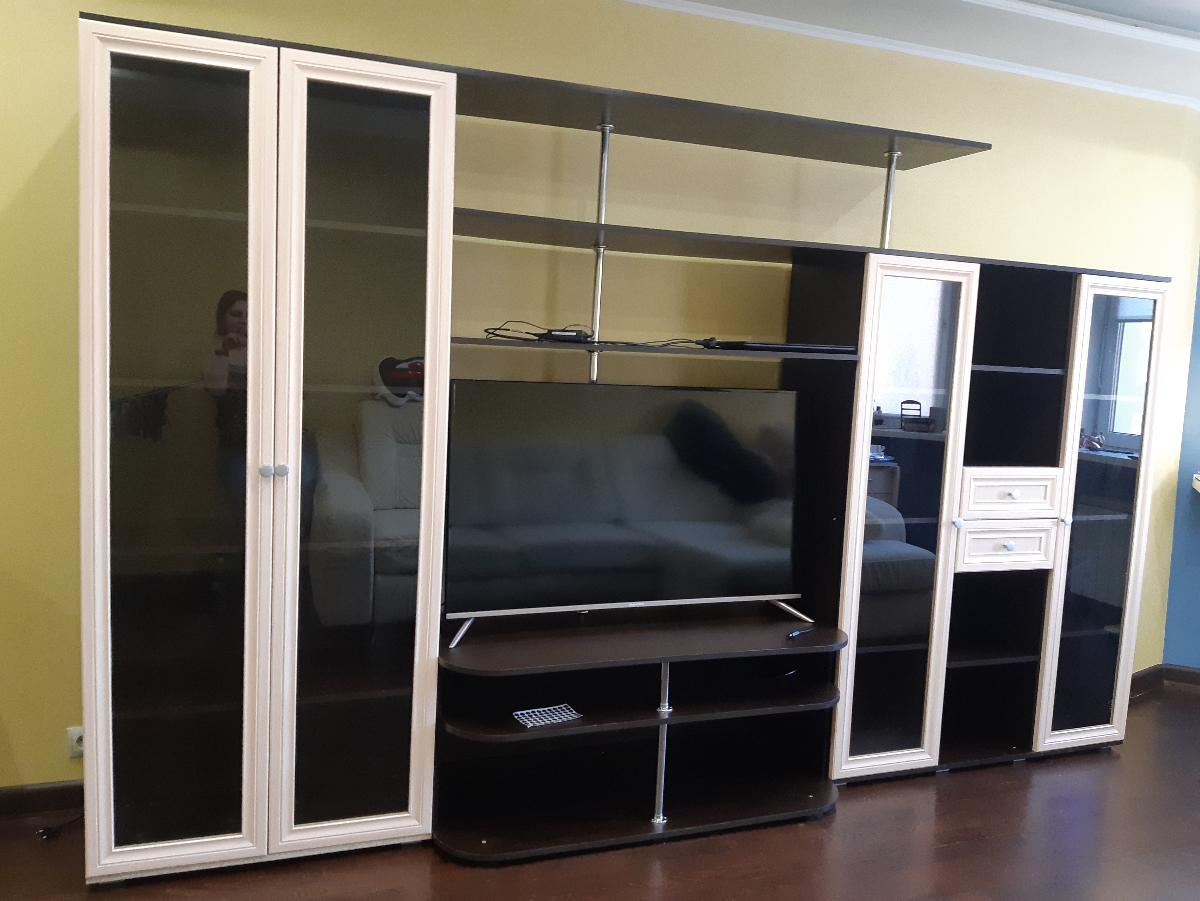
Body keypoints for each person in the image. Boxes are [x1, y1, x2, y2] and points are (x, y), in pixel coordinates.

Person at [204, 290, 249, 515]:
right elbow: (217, 389)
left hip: (273, 443)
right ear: (223, 319)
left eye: (249, 315)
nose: (243, 320)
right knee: (241, 510)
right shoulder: (215, 353)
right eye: (236, 314)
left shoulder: (270, 352)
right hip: (234, 445)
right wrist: (225, 350)